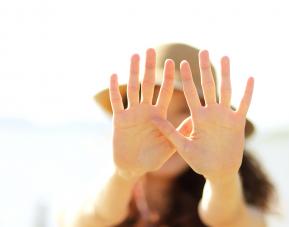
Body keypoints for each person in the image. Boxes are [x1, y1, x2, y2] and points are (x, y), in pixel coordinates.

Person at [63, 43, 275, 227]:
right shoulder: (94, 195)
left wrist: (222, 178)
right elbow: (93, 216)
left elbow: (229, 219)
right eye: (158, 108)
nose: (170, 128)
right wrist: (124, 174)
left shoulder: (236, 206)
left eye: (186, 111)